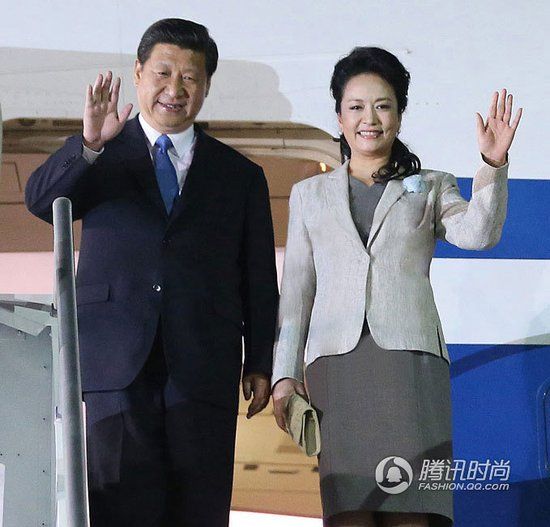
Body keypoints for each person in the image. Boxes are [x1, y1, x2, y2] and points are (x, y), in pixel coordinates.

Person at [25, 18, 278, 527]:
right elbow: (39, 200)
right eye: (163, 73)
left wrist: (259, 360)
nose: (174, 89)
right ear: (138, 73)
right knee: (117, 508)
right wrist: (89, 144)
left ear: (206, 86)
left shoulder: (240, 175)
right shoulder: (101, 155)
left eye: (190, 77)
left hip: (203, 364)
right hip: (112, 364)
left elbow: (257, 276)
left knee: (198, 509)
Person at [271, 47, 522, 527]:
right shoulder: (309, 195)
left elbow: (479, 234)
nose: (369, 118)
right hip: (335, 369)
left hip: (409, 366)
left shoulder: (430, 185)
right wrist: (284, 375)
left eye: (383, 106)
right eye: (356, 107)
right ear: (339, 117)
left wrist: (493, 162)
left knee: (412, 511)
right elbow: (297, 292)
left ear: (400, 115)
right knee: (348, 510)